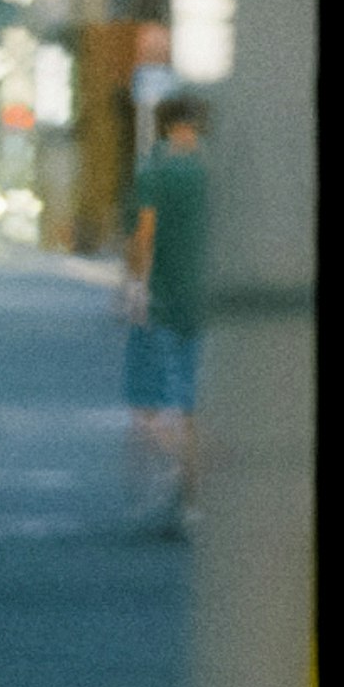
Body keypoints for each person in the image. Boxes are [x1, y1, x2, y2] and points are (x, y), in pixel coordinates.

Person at [119, 93, 212, 536]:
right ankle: (193, 498)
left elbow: (144, 234)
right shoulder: (215, 170)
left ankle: (179, 484)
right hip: (211, 303)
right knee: (195, 406)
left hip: (165, 301)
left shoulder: (155, 170)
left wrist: (133, 287)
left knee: (149, 406)